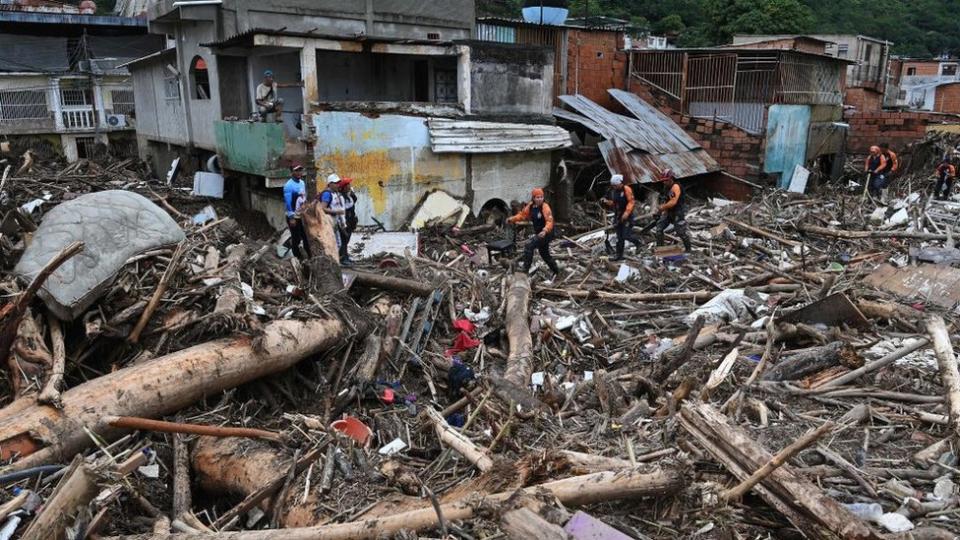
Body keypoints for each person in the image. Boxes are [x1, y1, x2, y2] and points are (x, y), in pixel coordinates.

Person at [507, 187, 560, 278]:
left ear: (543, 198)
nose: (539, 199)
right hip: (540, 233)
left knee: (529, 245)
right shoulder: (531, 206)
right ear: (533, 198)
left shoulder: (545, 207)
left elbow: (550, 221)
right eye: (537, 197)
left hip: (547, 233)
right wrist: (512, 219)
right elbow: (522, 215)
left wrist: (545, 230)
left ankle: (525, 269)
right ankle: (557, 271)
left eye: (541, 197)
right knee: (544, 254)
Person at [600, 174, 642, 261]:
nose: (614, 187)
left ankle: (638, 243)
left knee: (626, 235)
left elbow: (631, 202)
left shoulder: (626, 189)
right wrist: (606, 202)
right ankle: (619, 255)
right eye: (613, 185)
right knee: (619, 237)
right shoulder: (614, 191)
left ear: (620, 183)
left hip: (628, 215)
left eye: (615, 185)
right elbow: (614, 203)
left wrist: (626, 213)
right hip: (618, 215)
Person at [654, 169, 691, 252]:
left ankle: (688, 249)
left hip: (678, 211)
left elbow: (673, 202)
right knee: (659, 228)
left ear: (671, 179)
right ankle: (660, 249)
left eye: (666, 180)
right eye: (663, 181)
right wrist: (660, 211)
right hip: (669, 212)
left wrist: (662, 207)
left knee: (681, 232)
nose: (664, 182)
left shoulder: (675, 187)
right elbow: (665, 200)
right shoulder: (666, 187)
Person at [319, 173, 350, 265]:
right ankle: (333, 263)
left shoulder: (335, 193)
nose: (338, 185)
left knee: (338, 243)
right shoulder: (327, 194)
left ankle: (335, 262)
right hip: (328, 223)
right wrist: (336, 212)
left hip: (335, 223)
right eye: (336, 183)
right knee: (332, 243)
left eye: (338, 183)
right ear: (330, 184)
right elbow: (322, 208)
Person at [283, 164, 311, 260]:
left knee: (306, 237)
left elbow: (304, 198)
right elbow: (288, 203)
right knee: (296, 238)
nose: (299, 172)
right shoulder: (288, 186)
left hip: (302, 216)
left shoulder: (302, 183)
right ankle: (297, 258)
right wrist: (291, 218)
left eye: (300, 170)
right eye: (297, 170)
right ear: (292, 172)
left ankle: (310, 257)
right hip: (294, 217)